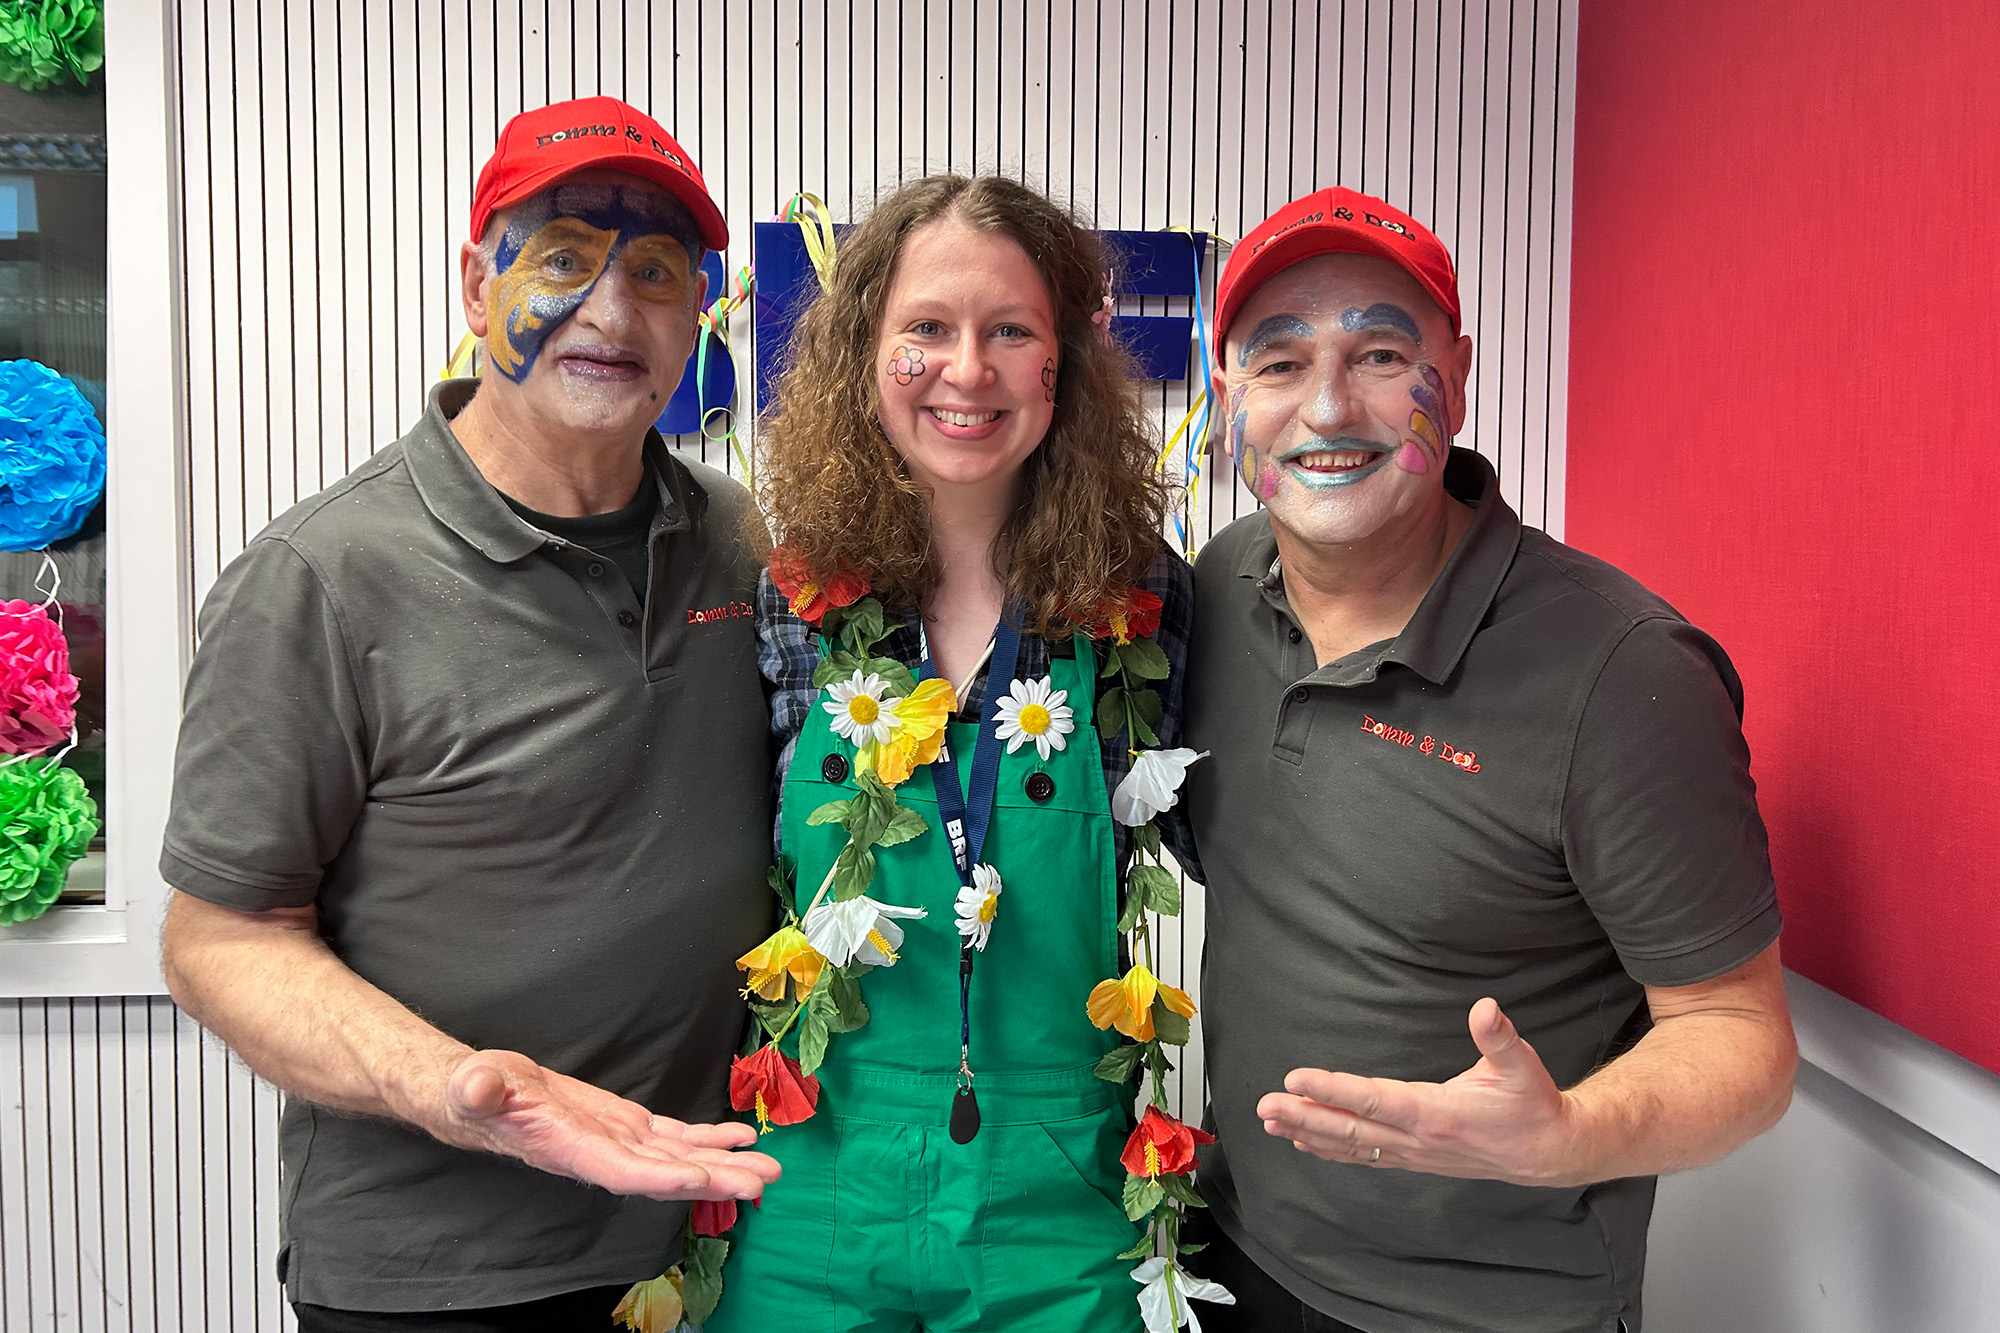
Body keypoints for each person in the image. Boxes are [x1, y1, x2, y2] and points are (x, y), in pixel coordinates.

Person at [157, 96, 780, 1332]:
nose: (611, 311)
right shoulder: (320, 578)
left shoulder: (735, 535)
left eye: (656, 272)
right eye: (561, 258)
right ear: (474, 282)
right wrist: (456, 1086)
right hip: (442, 1274)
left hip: (718, 1236)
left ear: (697, 314)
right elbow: (216, 940)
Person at [1172, 188, 1798, 1333]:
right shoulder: (1217, 585)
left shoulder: (1620, 672)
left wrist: (1567, 1135)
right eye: (1279, 362)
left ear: (1453, 378)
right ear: (1227, 396)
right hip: (1234, 1257)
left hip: (1484, 1312)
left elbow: (1742, 1037)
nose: (1326, 406)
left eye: (1378, 354)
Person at [704, 175, 1194, 1333]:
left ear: (1060, 361)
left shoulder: (1139, 599)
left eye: (1009, 330)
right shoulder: (790, 597)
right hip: (816, 1180)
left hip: (1059, 1196)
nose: (966, 371)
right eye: (925, 326)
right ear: (864, 353)